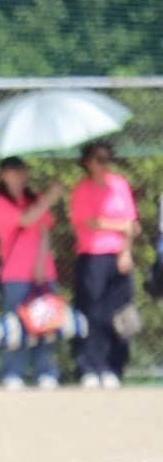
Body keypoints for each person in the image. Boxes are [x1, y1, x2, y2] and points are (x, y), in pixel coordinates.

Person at [69, 140, 140, 388]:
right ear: (88, 162)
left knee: (118, 313)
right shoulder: (82, 190)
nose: (105, 164)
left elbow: (131, 223)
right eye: (99, 159)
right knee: (93, 312)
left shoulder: (120, 185)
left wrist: (126, 252)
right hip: (93, 257)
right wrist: (119, 225)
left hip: (118, 256)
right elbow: (89, 222)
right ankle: (90, 366)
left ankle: (113, 366)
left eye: (108, 158)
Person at [0, 157, 62, 390]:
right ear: (3, 175)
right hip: (15, 273)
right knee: (15, 326)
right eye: (14, 171)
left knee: (46, 324)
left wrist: (41, 263)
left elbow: (44, 230)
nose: (21, 175)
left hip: (42, 272)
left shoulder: (35, 199)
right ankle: (13, 373)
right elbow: (26, 219)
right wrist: (51, 196)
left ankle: (46, 372)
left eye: (23, 171)